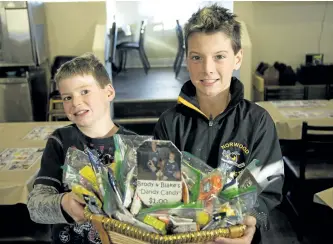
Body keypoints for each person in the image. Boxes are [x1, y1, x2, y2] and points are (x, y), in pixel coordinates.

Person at [153, 4, 284, 244]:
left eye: (219, 56)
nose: (207, 69)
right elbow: (159, 193)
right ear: (186, 59)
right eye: (197, 57)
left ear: (237, 58)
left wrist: (252, 221)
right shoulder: (169, 124)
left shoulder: (258, 122)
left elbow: (269, 189)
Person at [27, 53, 136, 244]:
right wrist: (64, 203)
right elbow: (35, 207)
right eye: (67, 97)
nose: (76, 102)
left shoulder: (137, 146)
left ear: (109, 92)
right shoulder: (60, 141)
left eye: (85, 91)